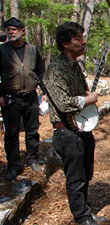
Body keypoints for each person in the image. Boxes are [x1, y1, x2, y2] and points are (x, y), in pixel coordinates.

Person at [43, 22, 102, 225]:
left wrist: (87, 94)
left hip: (82, 129)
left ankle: (85, 211)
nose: (83, 42)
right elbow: (63, 102)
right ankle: (82, 218)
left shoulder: (74, 66)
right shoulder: (56, 69)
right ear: (66, 43)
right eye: (78, 38)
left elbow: (77, 95)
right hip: (67, 133)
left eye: (82, 37)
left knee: (86, 174)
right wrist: (89, 100)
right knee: (75, 178)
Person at [0, 17, 46, 181]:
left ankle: (32, 160)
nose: (11, 32)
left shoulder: (33, 50)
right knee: (11, 133)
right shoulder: (2, 50)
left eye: (14, 29)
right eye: (8, 29)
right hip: (10, 98)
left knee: (32, 131)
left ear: (23, 31)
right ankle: (13, 166)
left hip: (31, 96)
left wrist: (45, 93)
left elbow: (41, 73)